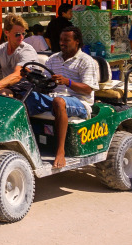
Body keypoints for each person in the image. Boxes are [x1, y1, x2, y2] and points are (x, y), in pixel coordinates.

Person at [28, 27, 98, 169]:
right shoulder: (53, 59)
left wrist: (68, 82)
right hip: (54, 97)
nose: (62, 43)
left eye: (66, 40)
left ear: (77, 42)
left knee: (59, 101)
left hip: (79, 101)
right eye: (61, 40)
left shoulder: (86, 61)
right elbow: (46, 83)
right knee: (24, 98)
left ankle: (60, 151)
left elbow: (88, 89)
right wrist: (32, 77)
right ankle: (29, 144)